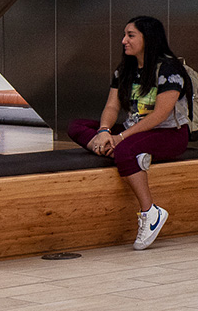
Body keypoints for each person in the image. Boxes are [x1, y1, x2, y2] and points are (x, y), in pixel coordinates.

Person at [67, 16, 190, 250]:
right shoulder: (125, 69)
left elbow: (159, 116)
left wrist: (121, 137)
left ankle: (150, 212)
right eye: (124, 35)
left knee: (124, 149)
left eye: (130, 35)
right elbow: (112, 107)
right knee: (76, 125)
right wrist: (104, 132)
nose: (124, 40)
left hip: (170, 134)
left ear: (148, 39)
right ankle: (132, 156)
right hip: (134, 131)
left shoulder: (169, 69)